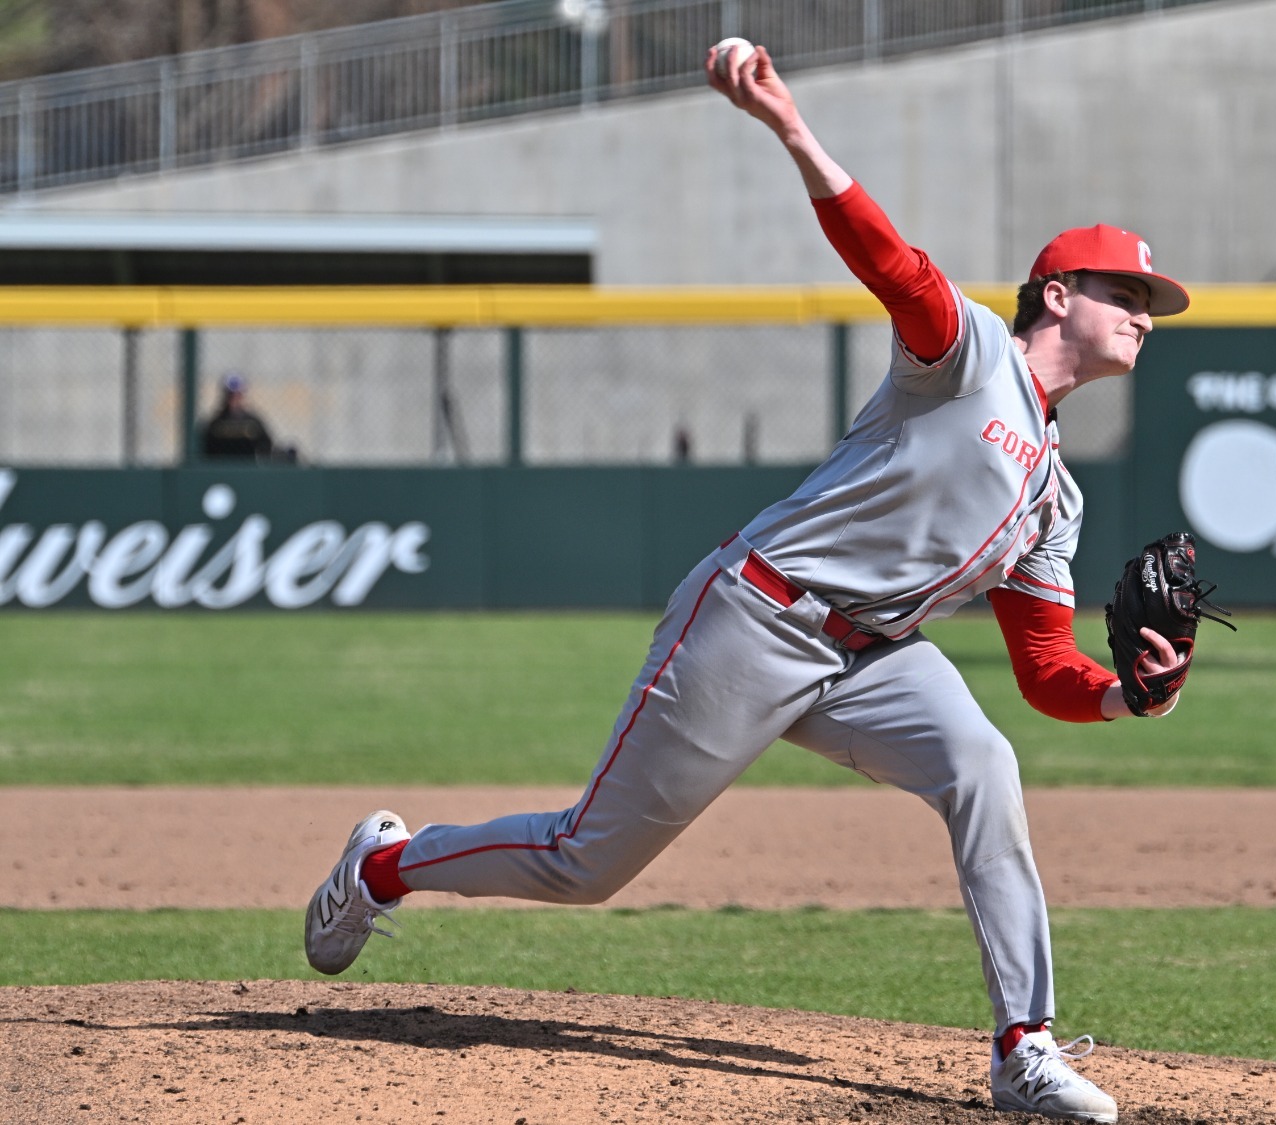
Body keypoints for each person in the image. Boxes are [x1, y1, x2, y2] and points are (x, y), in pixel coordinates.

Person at [304, 41, 1193, 1125]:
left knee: (984, 767)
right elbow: (891, 264)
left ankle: (1023, 1047)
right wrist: (789, 126)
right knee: (588, 864)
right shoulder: (969, 359)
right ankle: (386, 866)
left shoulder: (1055, 498)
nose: (1145, 310)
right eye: (1126, 290)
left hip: (869, 662)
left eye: (1150, 298)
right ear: (1056, 293)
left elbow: (1045, 670)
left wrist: (1127, 692)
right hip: (758, 617)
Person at [201, 373, 276, 460]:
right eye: (231, 395)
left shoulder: (253, 422)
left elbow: (266, 445)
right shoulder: (215, 423)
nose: (235, 399)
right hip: (221, 469)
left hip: (247, 469)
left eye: (238, 395)